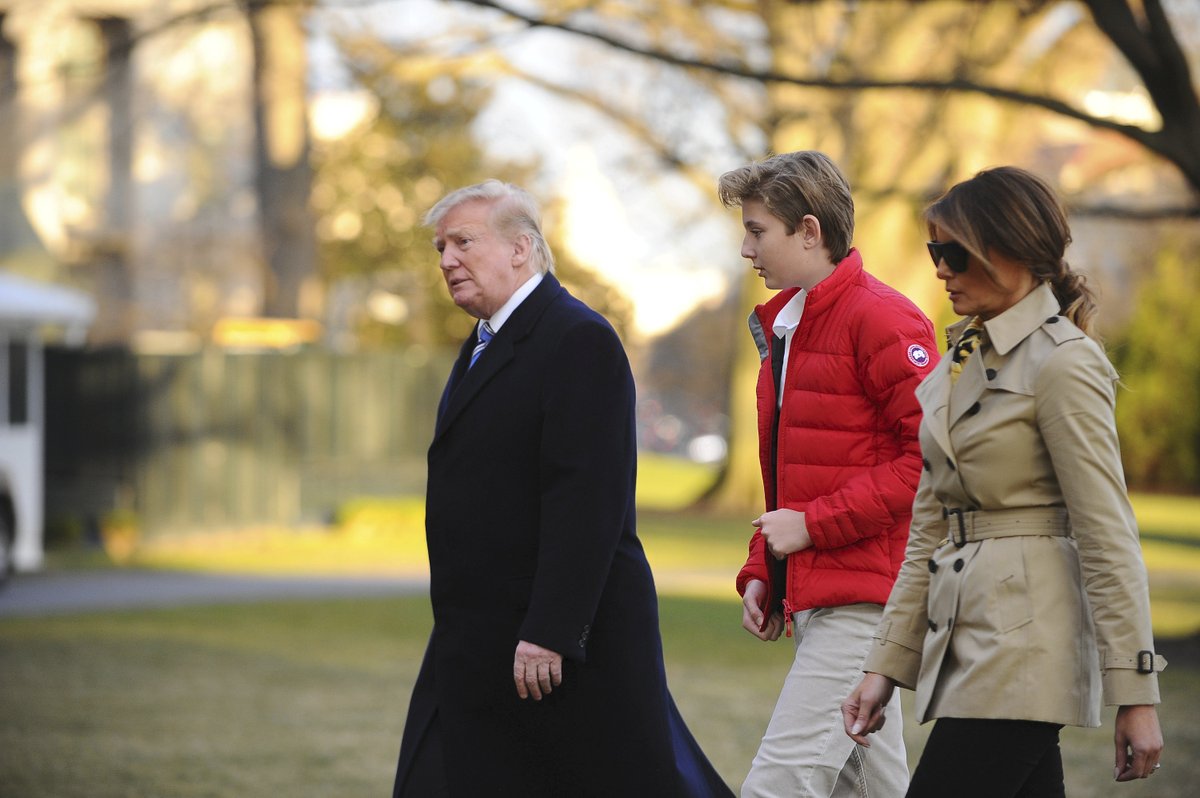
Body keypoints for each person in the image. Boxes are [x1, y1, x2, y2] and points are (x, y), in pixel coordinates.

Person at [391, 179, 733, 798]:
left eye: (463, 242)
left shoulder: (577, 338)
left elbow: (588, 501)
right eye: (440, 247)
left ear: (522, 249)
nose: (446, 260)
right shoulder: (483, 341)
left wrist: (551, 629)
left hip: (557, 644)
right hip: (476, 634)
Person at [841, 166, 1166, 796]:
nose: (939, 268)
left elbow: (1107, 533)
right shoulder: (958, 365)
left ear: (1010, 250)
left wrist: (1137, 691)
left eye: (953, 252)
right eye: (936, 252)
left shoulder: (1064, 363)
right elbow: (928, 533)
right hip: (967, 644)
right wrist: (885, 664)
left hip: (1027, 651)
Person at [717, 151, 938, 797]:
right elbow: (798, 471)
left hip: (866, 605)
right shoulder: (789, 325)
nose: (745, 248)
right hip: (823, 594)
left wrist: (811, 527)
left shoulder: (883, 319)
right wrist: (765, 566)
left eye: (757, 230)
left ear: (809, 231)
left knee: (778, 785)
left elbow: (929, 462)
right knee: (872, 789)